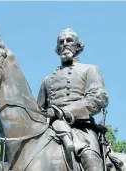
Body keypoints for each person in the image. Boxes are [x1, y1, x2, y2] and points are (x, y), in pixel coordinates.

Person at [37, 28, 108, 171]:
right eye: (61, 42)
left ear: (78, 46)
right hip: (51, 129)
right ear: (57, 48)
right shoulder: (47, 80)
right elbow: (38, 111)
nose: (64, 44)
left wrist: (62, 112)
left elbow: (98, 98)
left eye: (69, 40)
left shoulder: (90, 69)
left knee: (91, 160)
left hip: (81, 129)